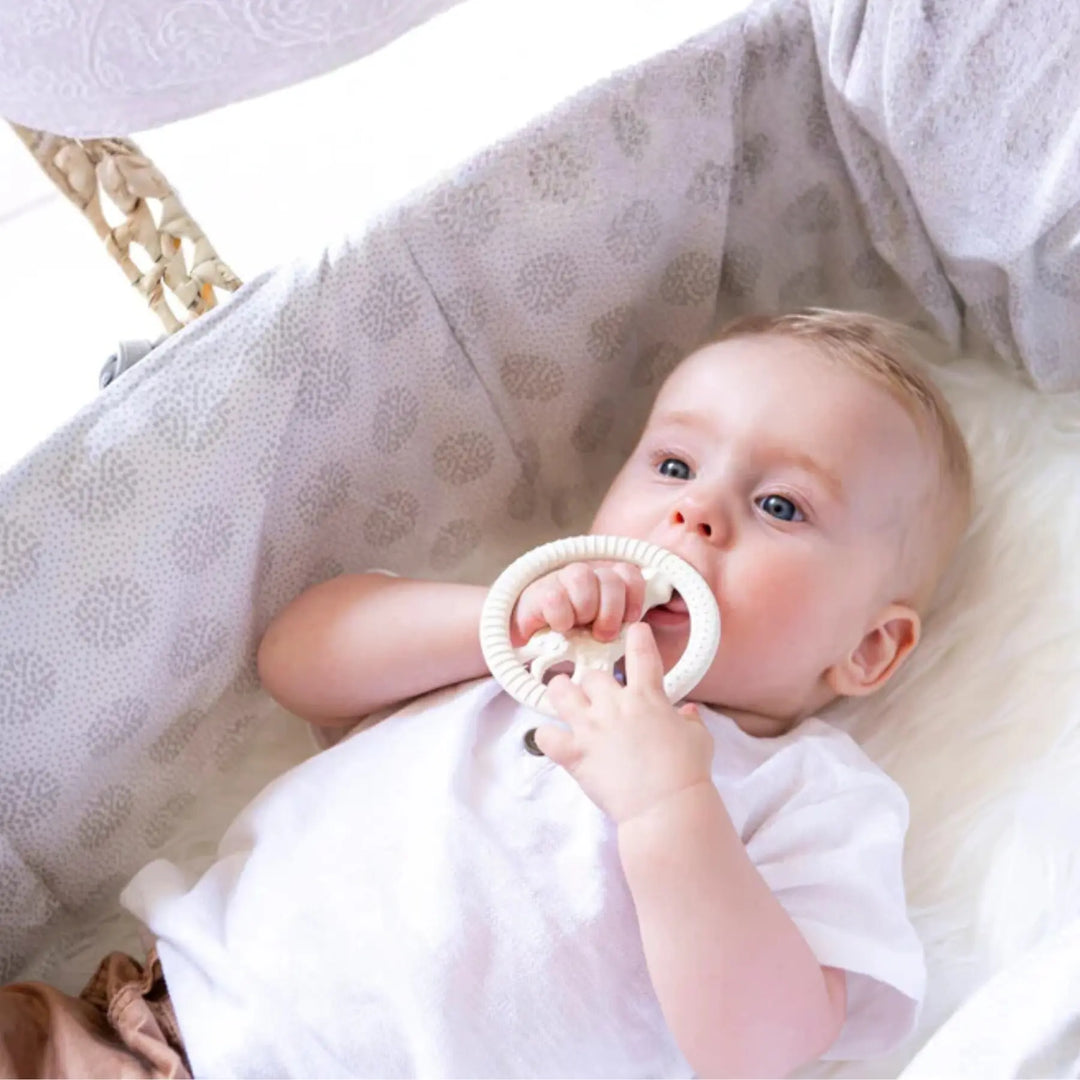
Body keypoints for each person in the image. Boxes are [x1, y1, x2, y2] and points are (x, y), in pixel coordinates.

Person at [0, 309, 973, 1079]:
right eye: (674, 464)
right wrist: (499, 619)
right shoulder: (518, 651)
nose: (695, 511)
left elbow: (765, 1043)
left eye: (780, 506)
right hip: (146, 1037)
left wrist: (668, 808)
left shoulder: (809, 794)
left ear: (869, 650)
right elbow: (296, 659)